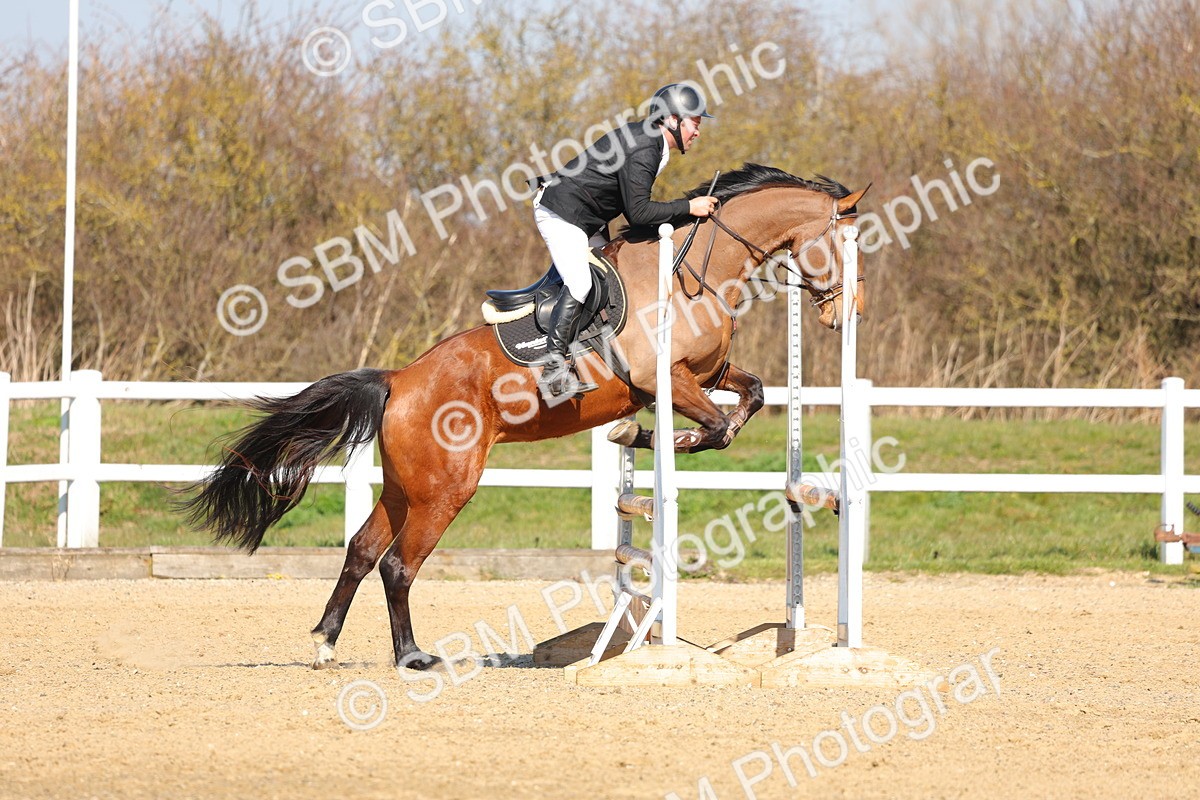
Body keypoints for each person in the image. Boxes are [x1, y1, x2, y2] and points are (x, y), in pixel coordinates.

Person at [529, 83, 720, 398]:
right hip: (561, 213)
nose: (698, 131)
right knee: (581, 285)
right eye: (695, 122)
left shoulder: (653, 143)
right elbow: (640, 213)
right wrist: (689, 206)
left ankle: (598, 354)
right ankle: (552, 372)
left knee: (611, 280)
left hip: (585, 217)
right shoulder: (646, 146)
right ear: (673, 119)